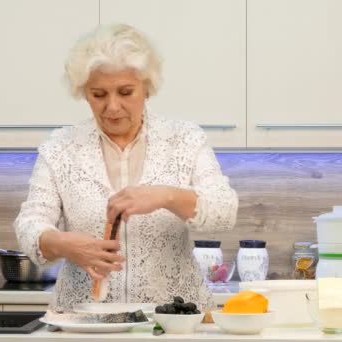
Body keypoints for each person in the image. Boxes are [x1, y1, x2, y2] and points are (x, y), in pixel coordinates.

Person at [14, 23, 238, 311]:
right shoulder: (60, 148)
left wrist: (166, 196)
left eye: (125, 92)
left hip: (174, 322)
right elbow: (30, 223)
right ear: (84, 93)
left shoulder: (185, 139)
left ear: (147, 88)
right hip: (83, 320)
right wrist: (63, 244)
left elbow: (224, 211)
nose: (112, 106)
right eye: (98, 94)